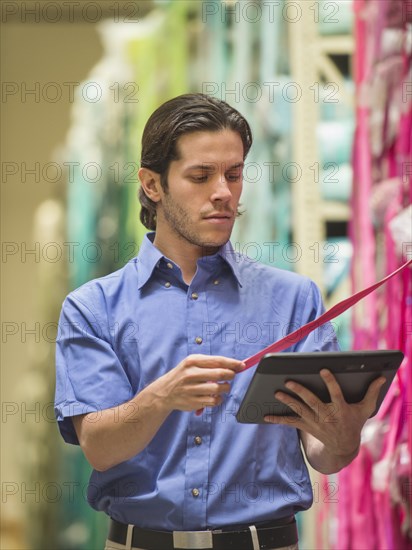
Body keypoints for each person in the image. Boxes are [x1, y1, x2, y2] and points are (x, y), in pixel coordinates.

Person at [55, 93, 386, 550]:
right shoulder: (93, 308)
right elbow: (100, 447)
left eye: (234, 175)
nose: (223, 192)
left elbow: (323, 455)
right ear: (153, 184)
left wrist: (344, 437)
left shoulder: (293, 299)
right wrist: (161, 398)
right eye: (200, 176)